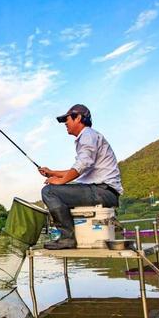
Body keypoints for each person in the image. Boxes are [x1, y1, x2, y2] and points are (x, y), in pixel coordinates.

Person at [38, 104, 123, 250]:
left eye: (67, 119)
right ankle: (70, 235)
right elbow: (81, 168)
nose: (65, 123)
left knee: (49, 191)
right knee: (54, 189)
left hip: (102, 191)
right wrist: (52, 173)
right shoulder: (90, 136)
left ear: (78, 118)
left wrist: (61, 181)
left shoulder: (87, 135)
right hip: (103, 191)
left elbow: (82, 164)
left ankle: (67, 238)